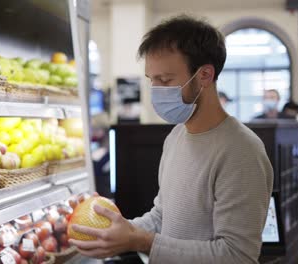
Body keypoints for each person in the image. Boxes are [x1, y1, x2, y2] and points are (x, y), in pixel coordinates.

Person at [69, 15, 273, 263]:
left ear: (205, 75)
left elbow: (237, 255)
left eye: (165, 80)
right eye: (152, 80)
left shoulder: (242, 151)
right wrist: (111, 229)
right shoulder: (176, 136)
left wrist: (139, 241)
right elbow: (161, 217)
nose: (156, 90)